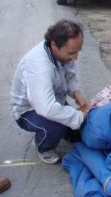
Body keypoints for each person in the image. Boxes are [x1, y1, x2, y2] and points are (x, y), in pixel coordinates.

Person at [10, 19, 90, 164]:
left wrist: (76, 93)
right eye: (72, 53)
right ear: (54, 44)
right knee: (57, 126)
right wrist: (79, 115)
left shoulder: (61, 52)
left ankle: (60, 130)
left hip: (53, 100)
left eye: (78, 52)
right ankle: (43, 146)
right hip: (28, 110)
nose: (75, 58)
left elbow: (69, 75)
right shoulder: (39, 67)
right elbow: (45, 108)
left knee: (77, 133)